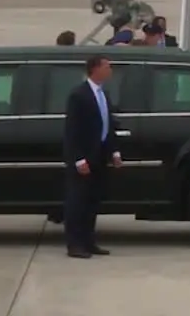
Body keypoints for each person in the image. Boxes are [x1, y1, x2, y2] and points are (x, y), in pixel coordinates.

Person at [62, 55, 121, 258]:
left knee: (92, 202)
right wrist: (78, 158)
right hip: (84, 159)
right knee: (77, 202)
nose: (110, 69)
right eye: (107, 66)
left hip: (100, 157)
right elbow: (73, 130)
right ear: (95, 69)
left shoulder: (104, 94)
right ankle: (75, 244)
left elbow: (108, 124)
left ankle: (89, 241)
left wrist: (114, 151)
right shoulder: (79, 95)